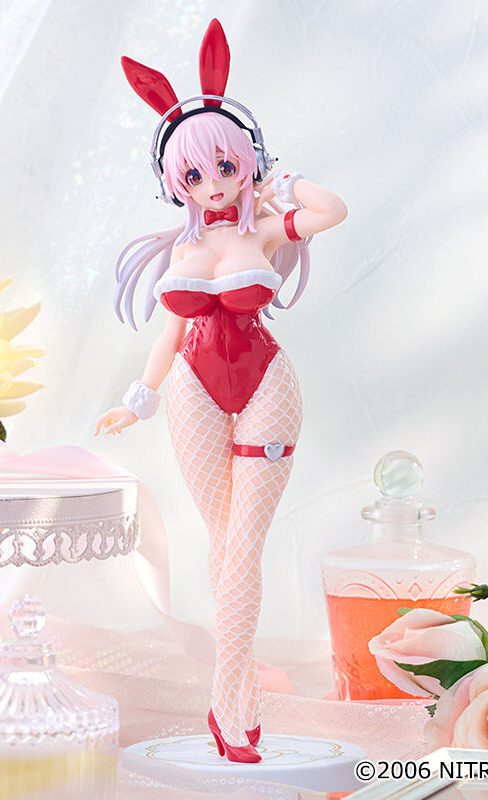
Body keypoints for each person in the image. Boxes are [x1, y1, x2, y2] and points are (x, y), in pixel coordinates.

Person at [96, 19, 347, 763]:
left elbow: (333, 210)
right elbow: (168, 337)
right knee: (225, 544)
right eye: (194, 176)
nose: (212, 186)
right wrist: (136, 399)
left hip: (268, 383)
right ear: (174, 183)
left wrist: (280, 183)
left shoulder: (265, 228)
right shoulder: (183, 246)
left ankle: (225, 704)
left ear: (246, 161)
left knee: (243, 544)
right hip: (191, 393)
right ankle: (241, 701)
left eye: (225, 167)